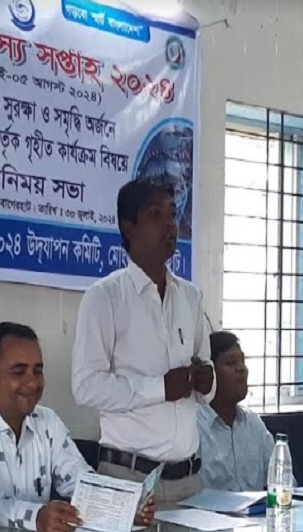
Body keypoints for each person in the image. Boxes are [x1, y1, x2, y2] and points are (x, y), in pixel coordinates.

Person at [72, 177, 214, 503]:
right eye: (155, 214)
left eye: (173, 213)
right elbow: (86, 386)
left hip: (190, 481)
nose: (170, 224)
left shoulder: (190, 297)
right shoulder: (105, 297)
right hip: (130, 478)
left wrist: (208, 382)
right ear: (129, 227)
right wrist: (159, 388)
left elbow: (206, 379)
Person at [0, 322, 154, 532]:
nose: (32, 382)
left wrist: (125, 506)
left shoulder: (47, 422)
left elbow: (79, 481)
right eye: (19, 372)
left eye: (37, 371)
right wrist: (36, 517)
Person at [197, 331, 275, 492]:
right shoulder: (195, 427)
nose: (241, 369)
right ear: (210, 373)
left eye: (242, 361)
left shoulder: (253, 423)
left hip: (257, 508)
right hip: (210, 508)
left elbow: (281, 479)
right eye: (230, 363)